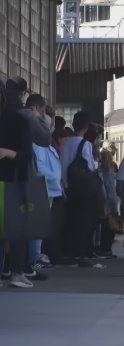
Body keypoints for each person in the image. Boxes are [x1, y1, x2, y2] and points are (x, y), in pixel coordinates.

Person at [0, 79, 37, 288]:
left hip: (11, 179)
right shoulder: (21, 117)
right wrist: (10, 153)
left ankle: (13, 271)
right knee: (16, 228)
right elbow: (27, 154)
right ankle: (16, 272)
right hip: (14, 180)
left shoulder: (18, 118)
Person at [60, 111, 101, 260]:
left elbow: (63, 165)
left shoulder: (65, 143)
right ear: (86, 127)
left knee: (71, 219)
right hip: (83, 188)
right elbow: (89, 166)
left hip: (68, 186)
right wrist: (96, 163)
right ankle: (81, 250)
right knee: (84, 220)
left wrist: (64, 184)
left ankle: (69, 250)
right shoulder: (85, 144)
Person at [27, 95, 60, 271]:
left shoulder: (43, 142)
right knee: (37, 224)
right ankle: (34, 256)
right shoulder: (39, 142)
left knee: (38, 224)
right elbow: (40, 166)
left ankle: (35, 255)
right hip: (43, 185)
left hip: (48, 186)